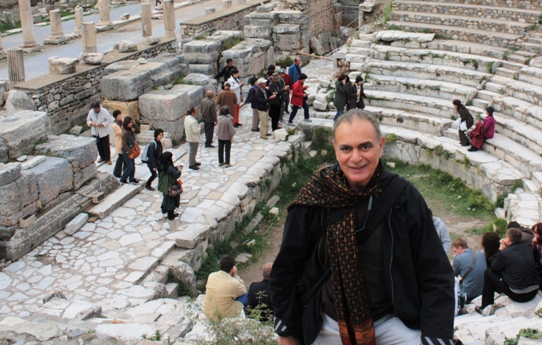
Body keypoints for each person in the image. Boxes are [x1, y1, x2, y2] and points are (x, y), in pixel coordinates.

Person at [271, 109, 455, 345]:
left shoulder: (403, 198)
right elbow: (287, 267)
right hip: (325, 321)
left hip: (390, 321)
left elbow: (435, 271)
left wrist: (436, 335)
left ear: (381, 146)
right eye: (346, 148)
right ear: (335, 149)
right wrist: (286, 332)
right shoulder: (315, 198)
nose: (356, 158)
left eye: (365, 147)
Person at [479, 228, 539, 311]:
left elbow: (494, 268)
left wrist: (500, 249)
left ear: (508, 239)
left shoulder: (504, 253)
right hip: (534, 291)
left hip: (519, 295)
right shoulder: (528, 248)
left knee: (488, 272)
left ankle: (486, 307)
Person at [204, 255, 248, 321]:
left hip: (209, 312)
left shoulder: (211, 275)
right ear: (232, 269)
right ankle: (247, 314)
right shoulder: (233, 282)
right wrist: (235, 275)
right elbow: (243, 290)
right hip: (223, 316)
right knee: (246, 295)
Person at [452, 238, 487, 305]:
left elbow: (453, 275)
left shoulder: (457, 259)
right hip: (483, 290)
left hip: (469, 293)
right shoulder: (481, 254)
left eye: (455, 251)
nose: (455, 254)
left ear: (460, 248)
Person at [157, 151, 182, 220]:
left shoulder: (161, 165)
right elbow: (176, 175)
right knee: (171, 200)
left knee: (165, 197)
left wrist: (175, 168)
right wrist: (179, 170)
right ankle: (171, 215)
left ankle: (164, 209)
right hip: (170, 185)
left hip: (164, 185)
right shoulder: (169, 167)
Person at [120, 116, 139, 184]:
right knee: (129, 166)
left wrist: (134, 124)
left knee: (132, 165)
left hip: (132, 149)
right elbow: (124, 144)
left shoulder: (130, 130)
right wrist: (129, 153)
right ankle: (123, 179)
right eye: (130, 123)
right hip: (127, 151)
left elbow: (138, 131)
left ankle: (131, 179)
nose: (131, 124)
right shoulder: (125, 132)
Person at [184, 107, 201, 171]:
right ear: (193, 112)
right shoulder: (194, 121)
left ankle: (193, 161)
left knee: (193, 151)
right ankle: (191, 164)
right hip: (193, 138)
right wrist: (199, 127)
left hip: (189, 136)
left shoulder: (187, 118)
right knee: (193, 151)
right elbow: (195, 131)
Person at [111, 110, 125, 178]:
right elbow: (121, 133)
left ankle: (124, 170)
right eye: (119, 115)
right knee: (121, 157)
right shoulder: (115, 125)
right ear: (116, 117)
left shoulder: (122, 122)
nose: (120, 117)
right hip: (119, 142)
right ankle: (116, 172)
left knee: (124, 157)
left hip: (124, 142)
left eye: (121, 115)